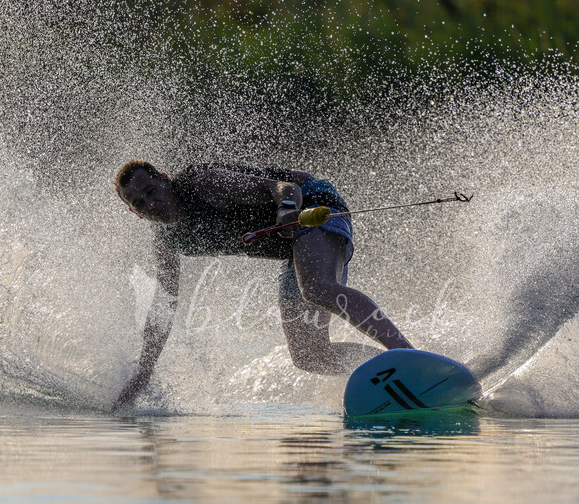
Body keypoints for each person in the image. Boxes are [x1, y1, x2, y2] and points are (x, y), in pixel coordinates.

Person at [112, 160, 413, 407]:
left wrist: (285, 211)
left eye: (151, 190)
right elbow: (164, 304)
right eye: (139, 203)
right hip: (292, 250)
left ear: (164, 179)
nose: (151, 203)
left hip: (311, 205)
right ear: (134, 214)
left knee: (317, 289)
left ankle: (407, 354)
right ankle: (391, 370)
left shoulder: (201, 184)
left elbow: (284, 187)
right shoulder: (167, 240)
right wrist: (145, 370)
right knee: (309, 355)